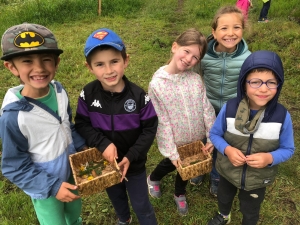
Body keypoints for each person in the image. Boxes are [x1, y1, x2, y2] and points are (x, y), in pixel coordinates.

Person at [0, 23, 87, 225]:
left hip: (72, 173)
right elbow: (15, 166)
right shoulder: (13, 117)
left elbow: (67, 124)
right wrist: (53, 187)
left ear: (56, 63)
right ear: (12, 67)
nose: (39, 68)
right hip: (45, 186)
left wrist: (82, 146)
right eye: (27, 61)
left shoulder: (59, 91)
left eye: (46, 60)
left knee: (74, 215)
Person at [74, 28, 158, 225]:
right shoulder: (87, 94)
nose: (109, 70)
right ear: (89, 67)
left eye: (114, 61)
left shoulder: (139, 97)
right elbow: (82, 124)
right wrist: (103, 144)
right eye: (100, 64)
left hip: (134, 165)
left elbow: (149, 129)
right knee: (116, 196)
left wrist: (131, 156)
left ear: (125, 61)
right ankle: (124, 218)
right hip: (106, 164)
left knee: (141, 204)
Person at [207, 50, 295, 225]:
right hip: (227, 170)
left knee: (251, 207)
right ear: (243, 84)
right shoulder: (229, 108)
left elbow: (288, 149)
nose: (263, 88)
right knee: (224, 197)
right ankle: (224, 215)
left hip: (257, 178)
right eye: (255, 82)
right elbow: (214, 134)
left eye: (271, 82)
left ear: (279, 84)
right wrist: (227, 149)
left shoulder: (281, 116)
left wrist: (270, 158)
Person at [146, 28, 216, 216]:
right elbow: (162, 121)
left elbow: (206, 108)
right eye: (186, 51)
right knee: (172, 163)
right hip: (176, 140)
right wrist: (171, 150)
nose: (189, 59)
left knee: (188, 168)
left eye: (195, 57)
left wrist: (211, 136)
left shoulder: (195, 79)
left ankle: (179, 192)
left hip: (196, 139)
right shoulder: (157, 85)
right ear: (175, 46)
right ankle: (153, 178)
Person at [190, 5, 251, 197]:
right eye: (224, 28)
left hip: (230, 111)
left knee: (223, 143)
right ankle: (199, 168)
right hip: (206, 107)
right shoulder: (203, 55)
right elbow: (192, 78)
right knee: (201, 139)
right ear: (214, 32)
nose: (230, 33)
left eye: (236, 27)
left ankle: (217, 176)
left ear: (243, 29)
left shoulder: (247, 59)